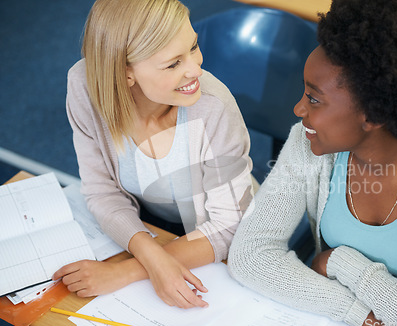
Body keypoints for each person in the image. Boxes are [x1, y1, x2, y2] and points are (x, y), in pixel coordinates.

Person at [228, 0, 397, 326]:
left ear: (374, 115)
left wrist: (343, 263)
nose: (299, 109)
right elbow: (251, 255)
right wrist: (356, 312)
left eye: (314, 99)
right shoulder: (309, 141)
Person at [53, 0, 254, 309]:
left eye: (194, 46)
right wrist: (149, 253)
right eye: (173, 64)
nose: (196, 69)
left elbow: (229, 225)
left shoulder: (214, 107)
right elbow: (101, 189)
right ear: (126, 72)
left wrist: (127, 271)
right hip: (153, 226)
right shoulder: (85, 86)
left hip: (228, 228)